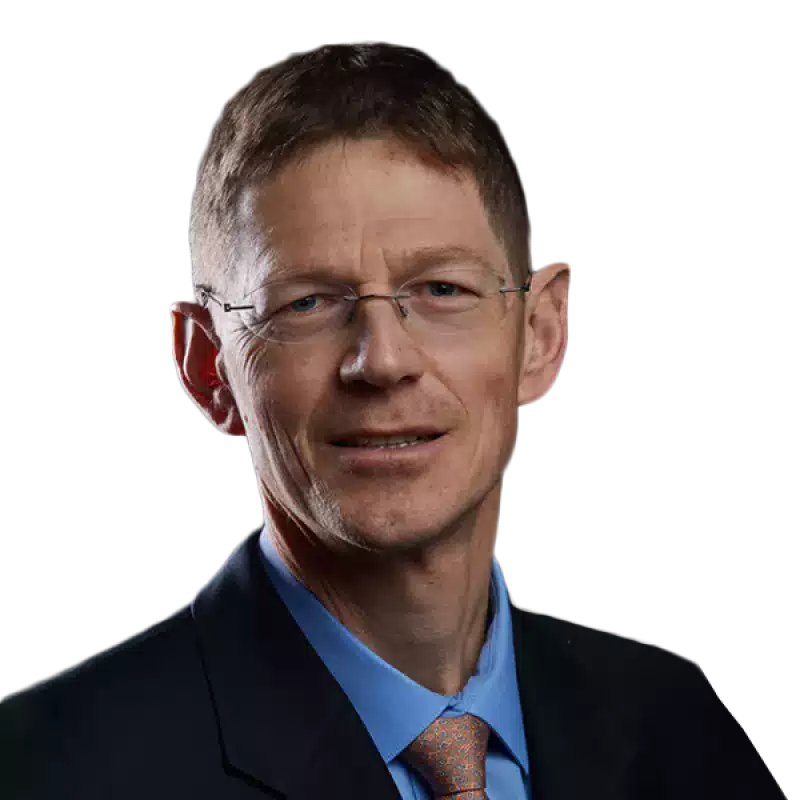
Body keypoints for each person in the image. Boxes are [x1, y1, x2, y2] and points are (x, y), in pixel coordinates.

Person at [1, 40, 787, 800]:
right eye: (307, 303)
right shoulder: (42, 771)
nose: (381, 361)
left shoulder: (684, 735)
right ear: (210, 367)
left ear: (541, 335)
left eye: (442, 289)